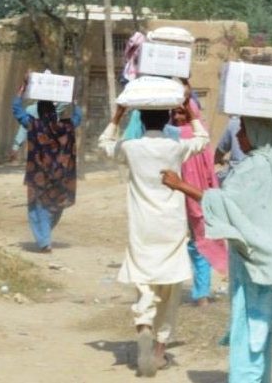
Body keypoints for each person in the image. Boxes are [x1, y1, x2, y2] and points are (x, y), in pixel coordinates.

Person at [161, 117, 272, 383]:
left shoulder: (255, 167)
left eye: (244, 130)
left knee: (249, 336)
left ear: (259, 133)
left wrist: (180, 185)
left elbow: (226, 203)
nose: (238, 136)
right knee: (263, 336)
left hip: (257, 263)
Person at [99, 98, 211, 377]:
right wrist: (191, 113)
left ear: (141, 120)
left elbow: (104, 145)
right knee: (170, 289)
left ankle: (144, 326)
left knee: (144, 283)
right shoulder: (176, 147)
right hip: (171, 227)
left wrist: (117, 116)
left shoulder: (131, 147)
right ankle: (159, 352)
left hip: (142, 228)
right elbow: (203, 140)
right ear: (166, 120)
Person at [11, 77, 82, 253]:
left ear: (39, 111)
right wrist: (74, 101)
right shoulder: (65, 127)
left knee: (37, 206)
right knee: (55, 205)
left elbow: (17, 110)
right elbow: (78, 117)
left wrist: (21, 91)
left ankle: (44, 241)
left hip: (39, 175)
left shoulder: (33, 125)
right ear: (55, 112)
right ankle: (45, 235)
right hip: (60, 175)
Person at [170, 98, 228, 306]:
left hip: (192, 197)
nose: (178, 117)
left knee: (199, 243)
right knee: (194, 243)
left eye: (182, 112)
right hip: (180, 198)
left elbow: (209, 169)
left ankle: (201, 293)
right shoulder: (177, 135)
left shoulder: (191, 136)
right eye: (175, 113)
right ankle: (192, 291)